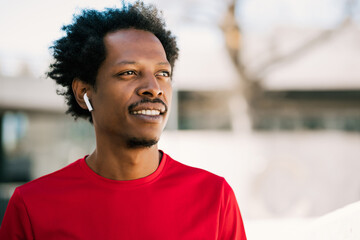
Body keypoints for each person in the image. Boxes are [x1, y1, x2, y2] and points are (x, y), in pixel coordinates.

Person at [0, 1, 246, 239]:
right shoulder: (32, 207)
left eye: (163, 73)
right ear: (84, 91)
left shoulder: (215, 199)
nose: (153, 88)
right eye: (129, 73)